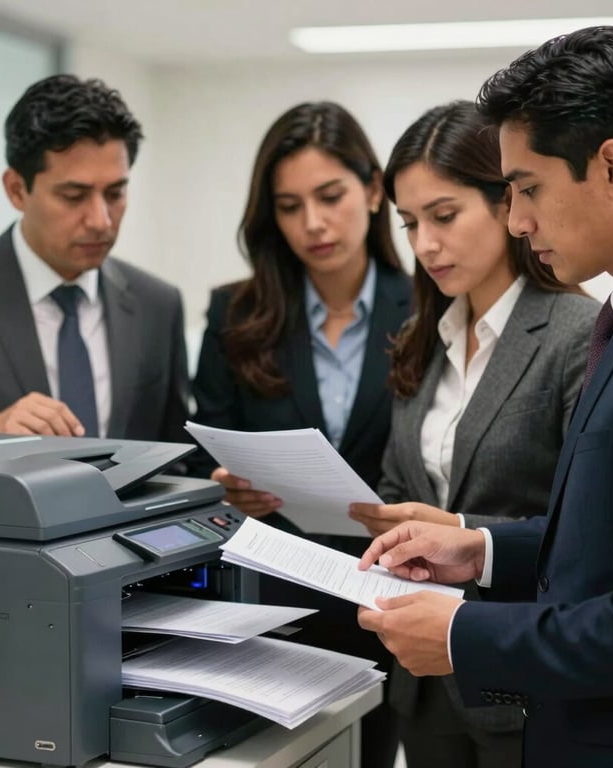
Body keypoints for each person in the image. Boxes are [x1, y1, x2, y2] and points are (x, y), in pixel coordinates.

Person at [356, 25, 613, 768]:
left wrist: (460, 635)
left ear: (612, 167)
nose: (520, 220)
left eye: (528, 189)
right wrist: (481, 547)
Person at [348, 100, 598, 768]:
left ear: (507, 204)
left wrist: (456, 527)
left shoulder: (577, 334)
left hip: (522, 678)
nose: (425, 243)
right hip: (422, 683)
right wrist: (389, 518)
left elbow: (585, 528)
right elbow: (401, 479)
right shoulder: (419, 340)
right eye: (408, 224)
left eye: (444, 215)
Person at [189, 101, 412, 768]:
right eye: (289, 206)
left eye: (330, 196)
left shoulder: (430, 302)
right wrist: (224, 487)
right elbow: (211, 448)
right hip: (271, 610)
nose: (313, 223)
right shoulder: (236, 313)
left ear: (373, 190)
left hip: (388, 605)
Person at [0, 74, 188, 441]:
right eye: (74, 196)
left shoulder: (158, 304)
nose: (100, 221)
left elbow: (176, 455)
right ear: (16, 190)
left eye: (115, 193)